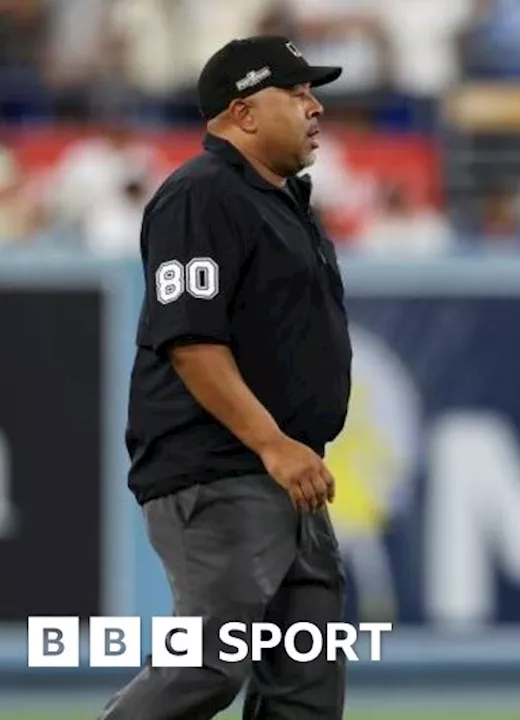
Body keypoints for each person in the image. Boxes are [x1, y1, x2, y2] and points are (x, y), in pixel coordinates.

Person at [101, 35, 351, 720]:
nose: (315, 107)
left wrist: (286, 452)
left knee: (304, 692)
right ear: (242, 112)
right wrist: (272, 443)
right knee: (209, 662)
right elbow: (191, 342)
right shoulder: (201, 194)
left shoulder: (282, 201)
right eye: (297, 93)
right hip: (222, 466)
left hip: (288, 474)